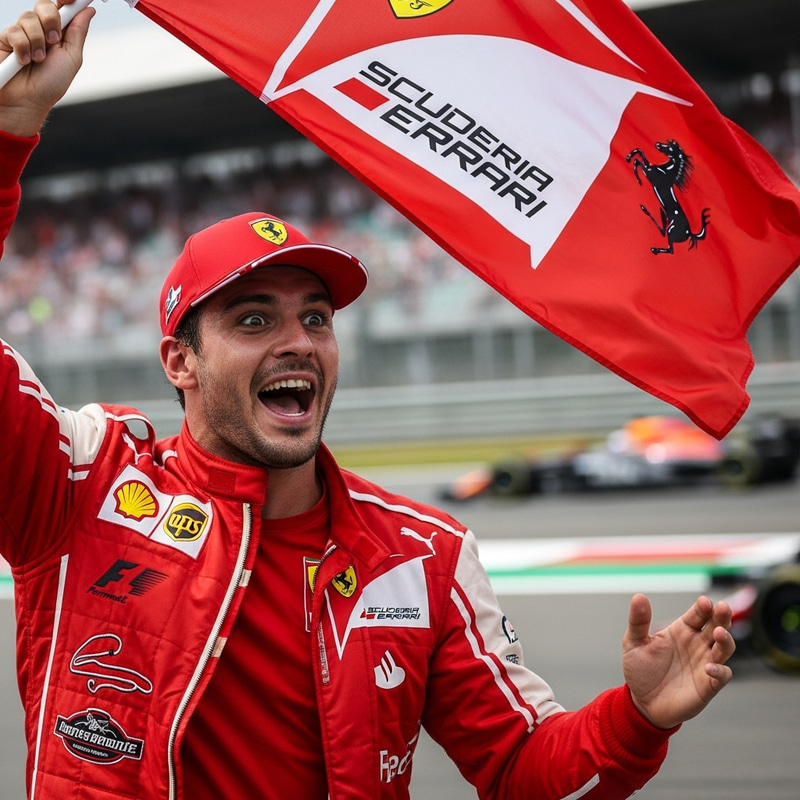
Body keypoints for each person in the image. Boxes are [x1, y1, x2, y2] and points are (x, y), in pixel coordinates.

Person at [0, 2, 735, 799]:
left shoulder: (422, 557)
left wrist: (636, 720)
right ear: (180, 361)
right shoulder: (82, 484)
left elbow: (523, 769)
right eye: (254, 319)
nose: (299, 341)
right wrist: (9, 130)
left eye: (316, 318)